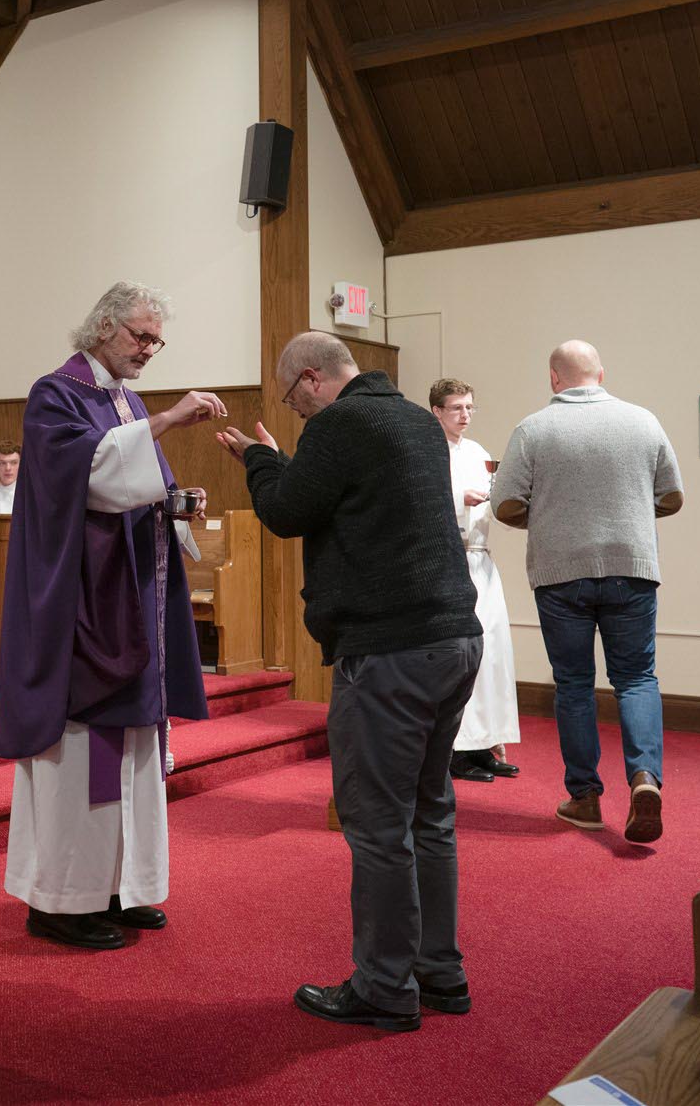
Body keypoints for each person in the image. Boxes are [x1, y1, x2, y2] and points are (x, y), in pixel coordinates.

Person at [217, 332, 482, 1032]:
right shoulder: (416, 420)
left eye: (294, 404)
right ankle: (439, 970)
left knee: (377, 824)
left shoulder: (342, 422)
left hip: (392, 648)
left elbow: (285, 510)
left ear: (310, 381)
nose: (300, 415)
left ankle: (385, 987)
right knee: (431, 810)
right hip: (455, 637)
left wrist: (260, 458)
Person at [0, 282, 217, 952]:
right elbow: (88, 475)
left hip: (131, 601)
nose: (149, 349)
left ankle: (120, 883)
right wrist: (169, 421)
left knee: (131, 751)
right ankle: (63, 899)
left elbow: (132, 481)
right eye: (139, 336)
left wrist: (175, 498)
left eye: (156, 339)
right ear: (101, 328)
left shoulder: (125, 397)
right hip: (84, 607)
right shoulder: (55, 394)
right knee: (90, 751)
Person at [491, 340, 683, 845]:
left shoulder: (533, 428)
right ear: (601, 373)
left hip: (560, 574)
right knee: (637, 678)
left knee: (574, 685)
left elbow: (504, 504)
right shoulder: (644, 420)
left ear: (555, 379)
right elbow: (672, 496)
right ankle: (645, 779)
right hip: (632, 568)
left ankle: (585, 797)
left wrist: (554, 516)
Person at [431, 378, 520, 784]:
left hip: (482, 561)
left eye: (469, 407)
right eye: (456, 408)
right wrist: (457, 499)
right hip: (451, 561)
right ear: (437, 411)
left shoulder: (479, 451)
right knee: (461, 658)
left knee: (492, 654)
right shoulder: (429, 452)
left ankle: (484, 743)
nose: (464, 415)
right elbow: (424, 503)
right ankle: (454, 748)